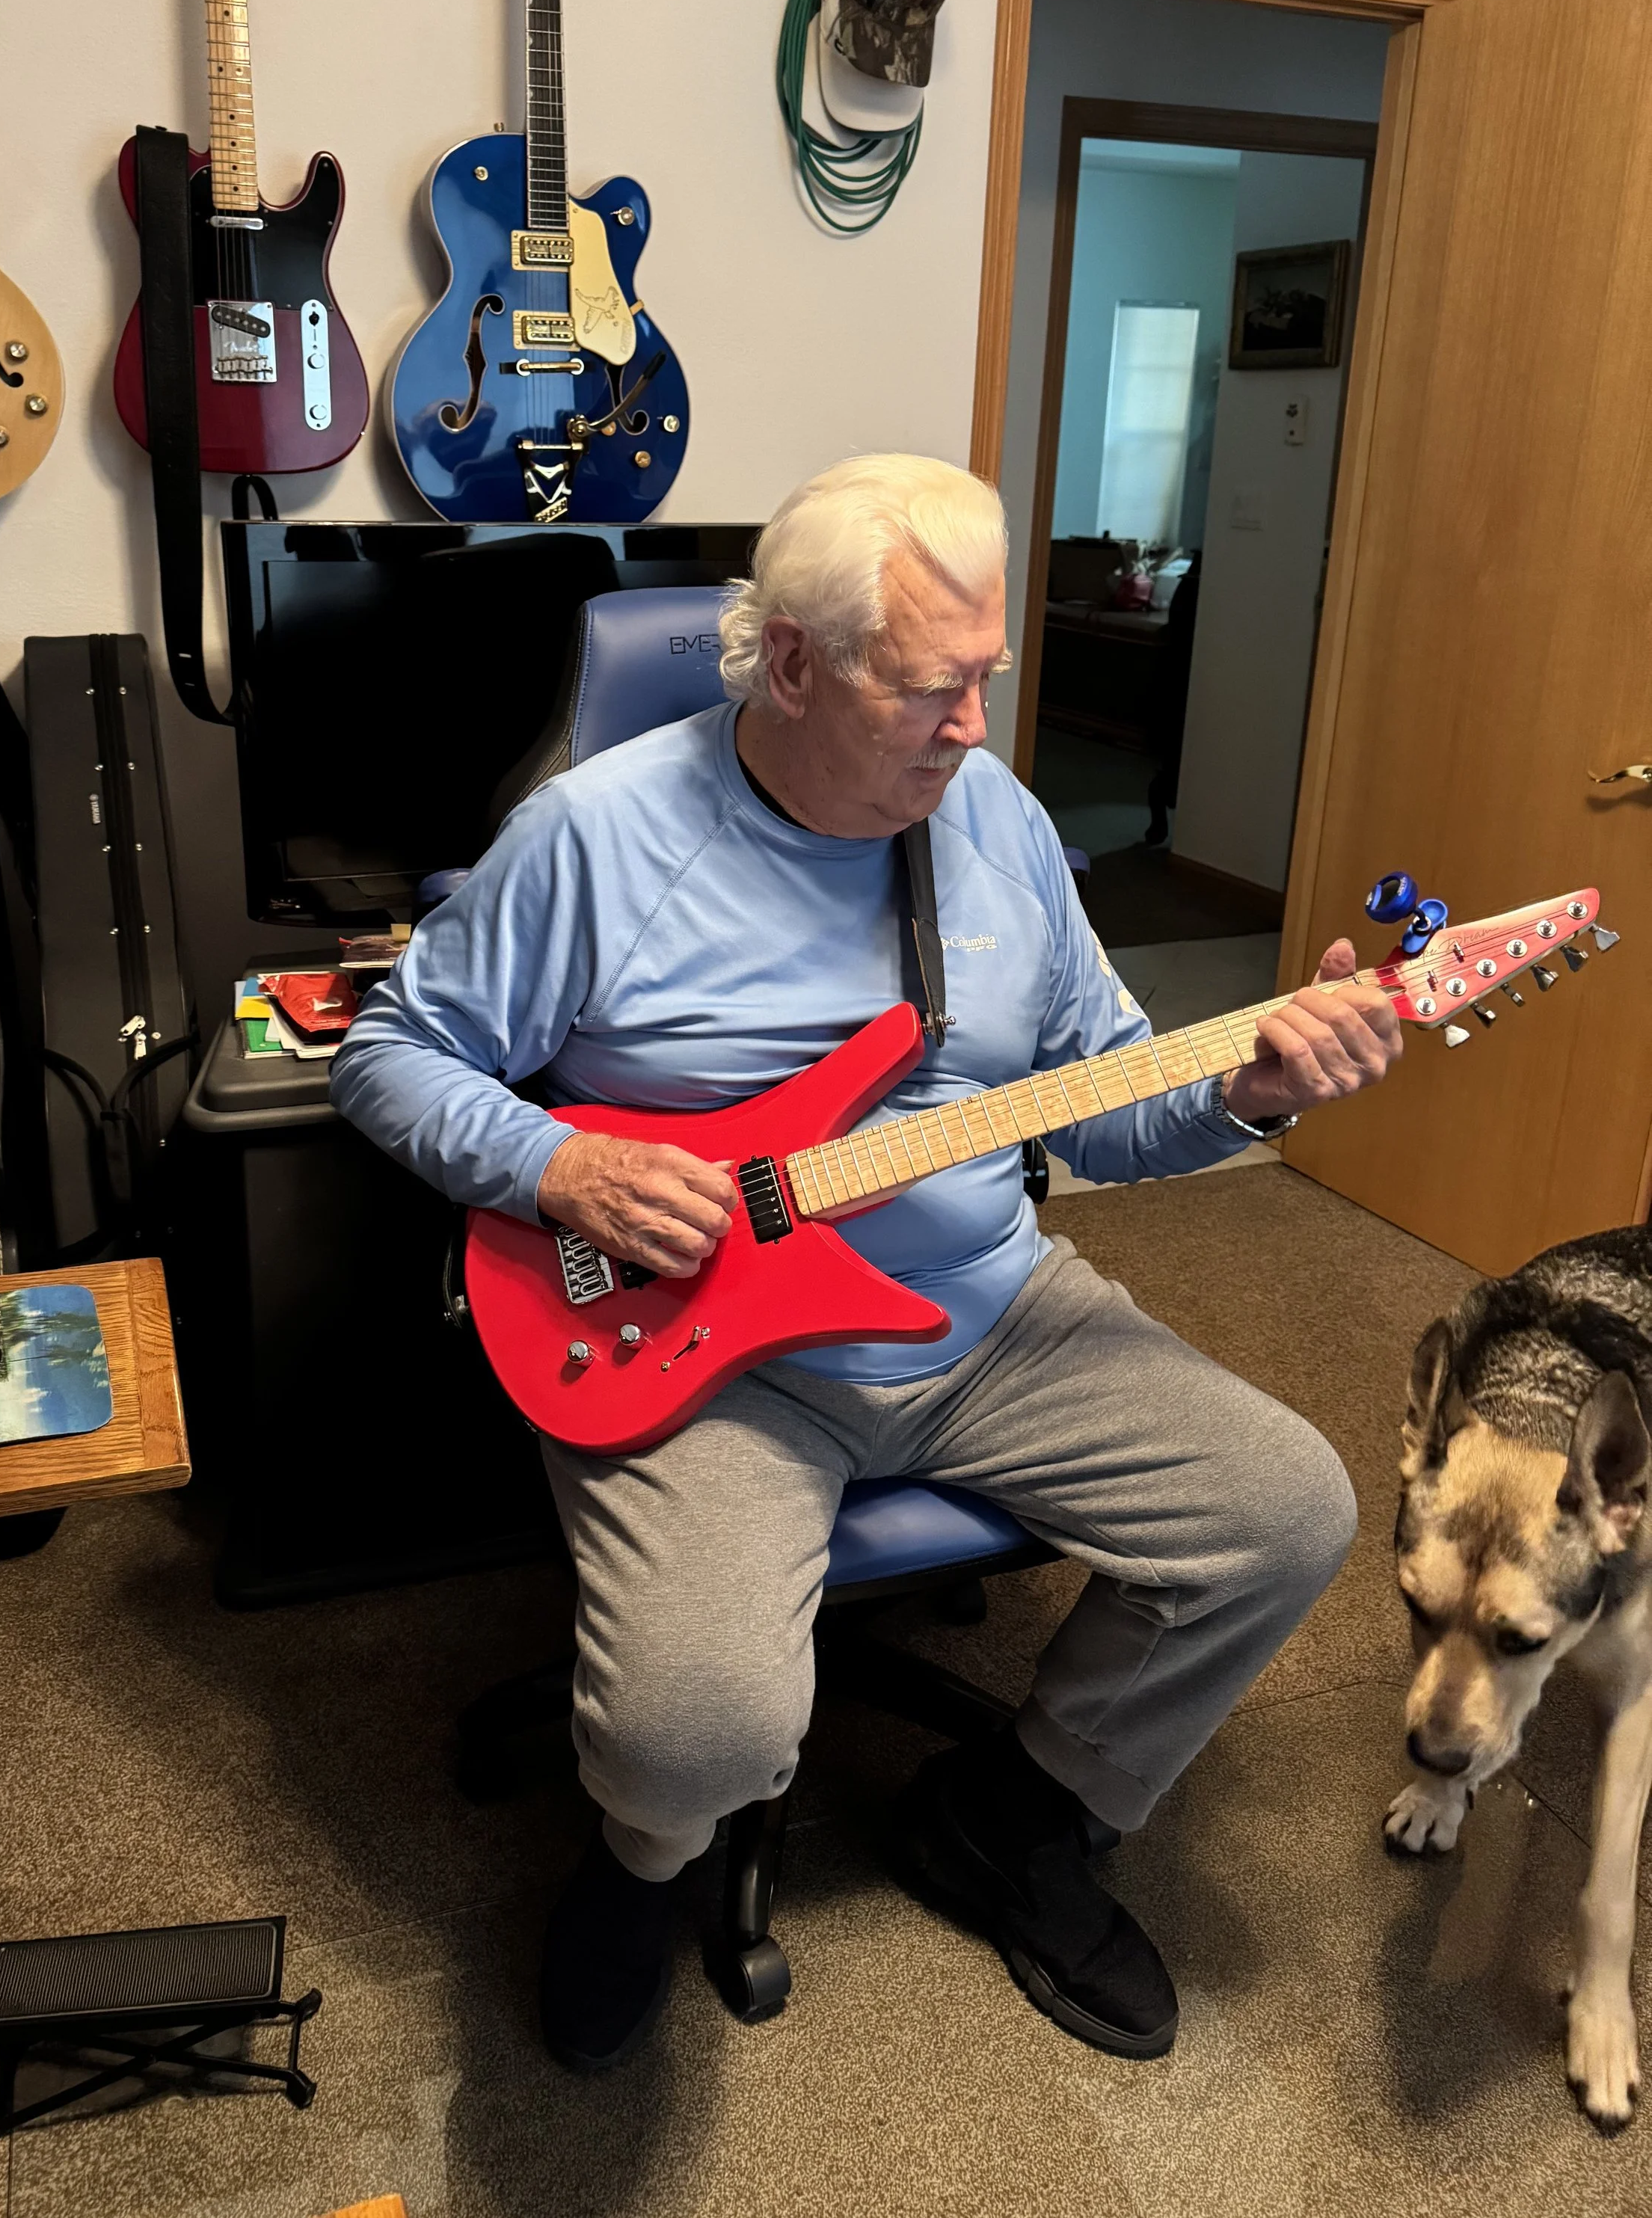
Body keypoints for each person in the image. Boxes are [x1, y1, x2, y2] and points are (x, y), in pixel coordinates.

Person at [331, 455, 1399, 2072]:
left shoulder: (998, 823)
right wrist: (562, 1161)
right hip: (717, 1355)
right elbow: (389, 1054)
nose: (970, 728)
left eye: (988, 680)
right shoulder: (595, 839)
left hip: (987, 1309)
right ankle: (639, 1869)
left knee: (1284, 1509)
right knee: (694, 1733)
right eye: (928, 689)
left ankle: (1019, 1819)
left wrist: (1244, 1089)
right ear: (789, 666)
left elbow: (1105, 1105)